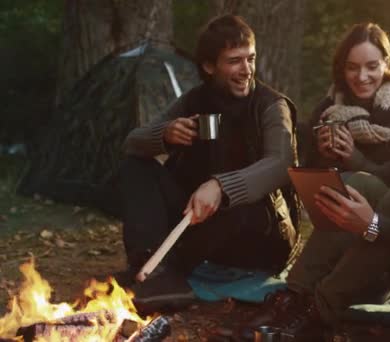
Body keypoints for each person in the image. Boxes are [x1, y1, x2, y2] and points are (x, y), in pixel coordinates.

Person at [241, 52, 390, 339]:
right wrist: (338, 167)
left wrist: (374, 224)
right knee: (361, 184)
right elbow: (377, 178)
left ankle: (321, 310)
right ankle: (295, 295)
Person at [115, 14, 299, 311]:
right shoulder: (193, 101)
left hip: (259, 234)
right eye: (234, 61)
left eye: (250, 59)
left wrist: (221, 187)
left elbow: (281, 163)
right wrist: (165, 134)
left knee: (244, 207)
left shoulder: (271, 105)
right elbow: (132, 142)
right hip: (197, 223)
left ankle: (170, 270)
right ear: (209, 66)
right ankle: (151, 264)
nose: (247, 70)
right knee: (135, 166)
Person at [305, 22, 390, 170]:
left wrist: (353, 157)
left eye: (372, 67)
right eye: (352, 68)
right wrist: (323, 155)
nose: (361, 77)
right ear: (343, 68)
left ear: (386, 64)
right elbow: (307, 173)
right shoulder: (326, 110)